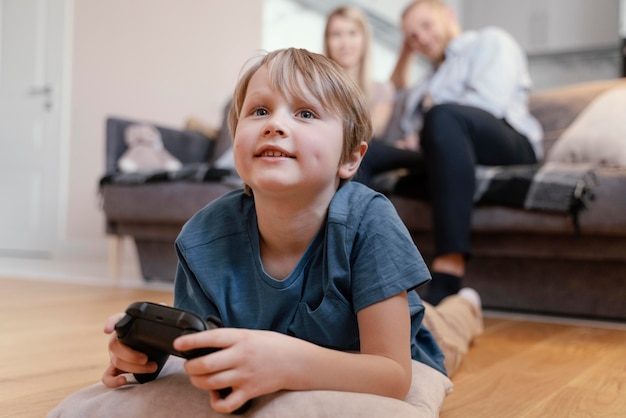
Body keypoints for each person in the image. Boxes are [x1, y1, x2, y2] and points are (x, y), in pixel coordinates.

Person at [101, 47, 482, 414]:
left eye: (305, 113)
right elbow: (203, 350)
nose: (275, 124)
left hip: (407, 334)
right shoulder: (203, 237)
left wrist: (287, 363)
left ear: (350, 158)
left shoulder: (370, 221)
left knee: (449, 323)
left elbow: (394, 374)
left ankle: (467, 304)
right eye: (260, 110)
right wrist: (147, 356)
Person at [356, 0, 543, 305]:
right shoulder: (425, 83)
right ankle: (361, 264)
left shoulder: (488, 42)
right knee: (365, 151)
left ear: (449, 15)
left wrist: (429, 127)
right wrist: (413, 138)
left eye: (426, 26)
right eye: (413, 37)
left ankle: (449, 268)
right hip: (442, 151)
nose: (422, 39)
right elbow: (395, 99)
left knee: (443, 117)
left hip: (507, 141)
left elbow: (487, 105)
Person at [323, 5, 395, 139]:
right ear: (327, 42)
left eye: (352, 33)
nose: (345, 43)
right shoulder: (315, 87)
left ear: (364, 39)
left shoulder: (382, 91)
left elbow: (370, 133)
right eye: (336, 35)